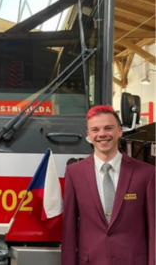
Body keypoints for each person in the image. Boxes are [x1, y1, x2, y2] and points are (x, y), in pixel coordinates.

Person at [61, 105, 155, 265]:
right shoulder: (74, 173)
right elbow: (69, 229)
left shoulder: (147, 173)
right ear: (89, 135)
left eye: (108, 128)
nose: (102, 134)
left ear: (120, 131)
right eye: (95, 129)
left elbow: (154, 229)